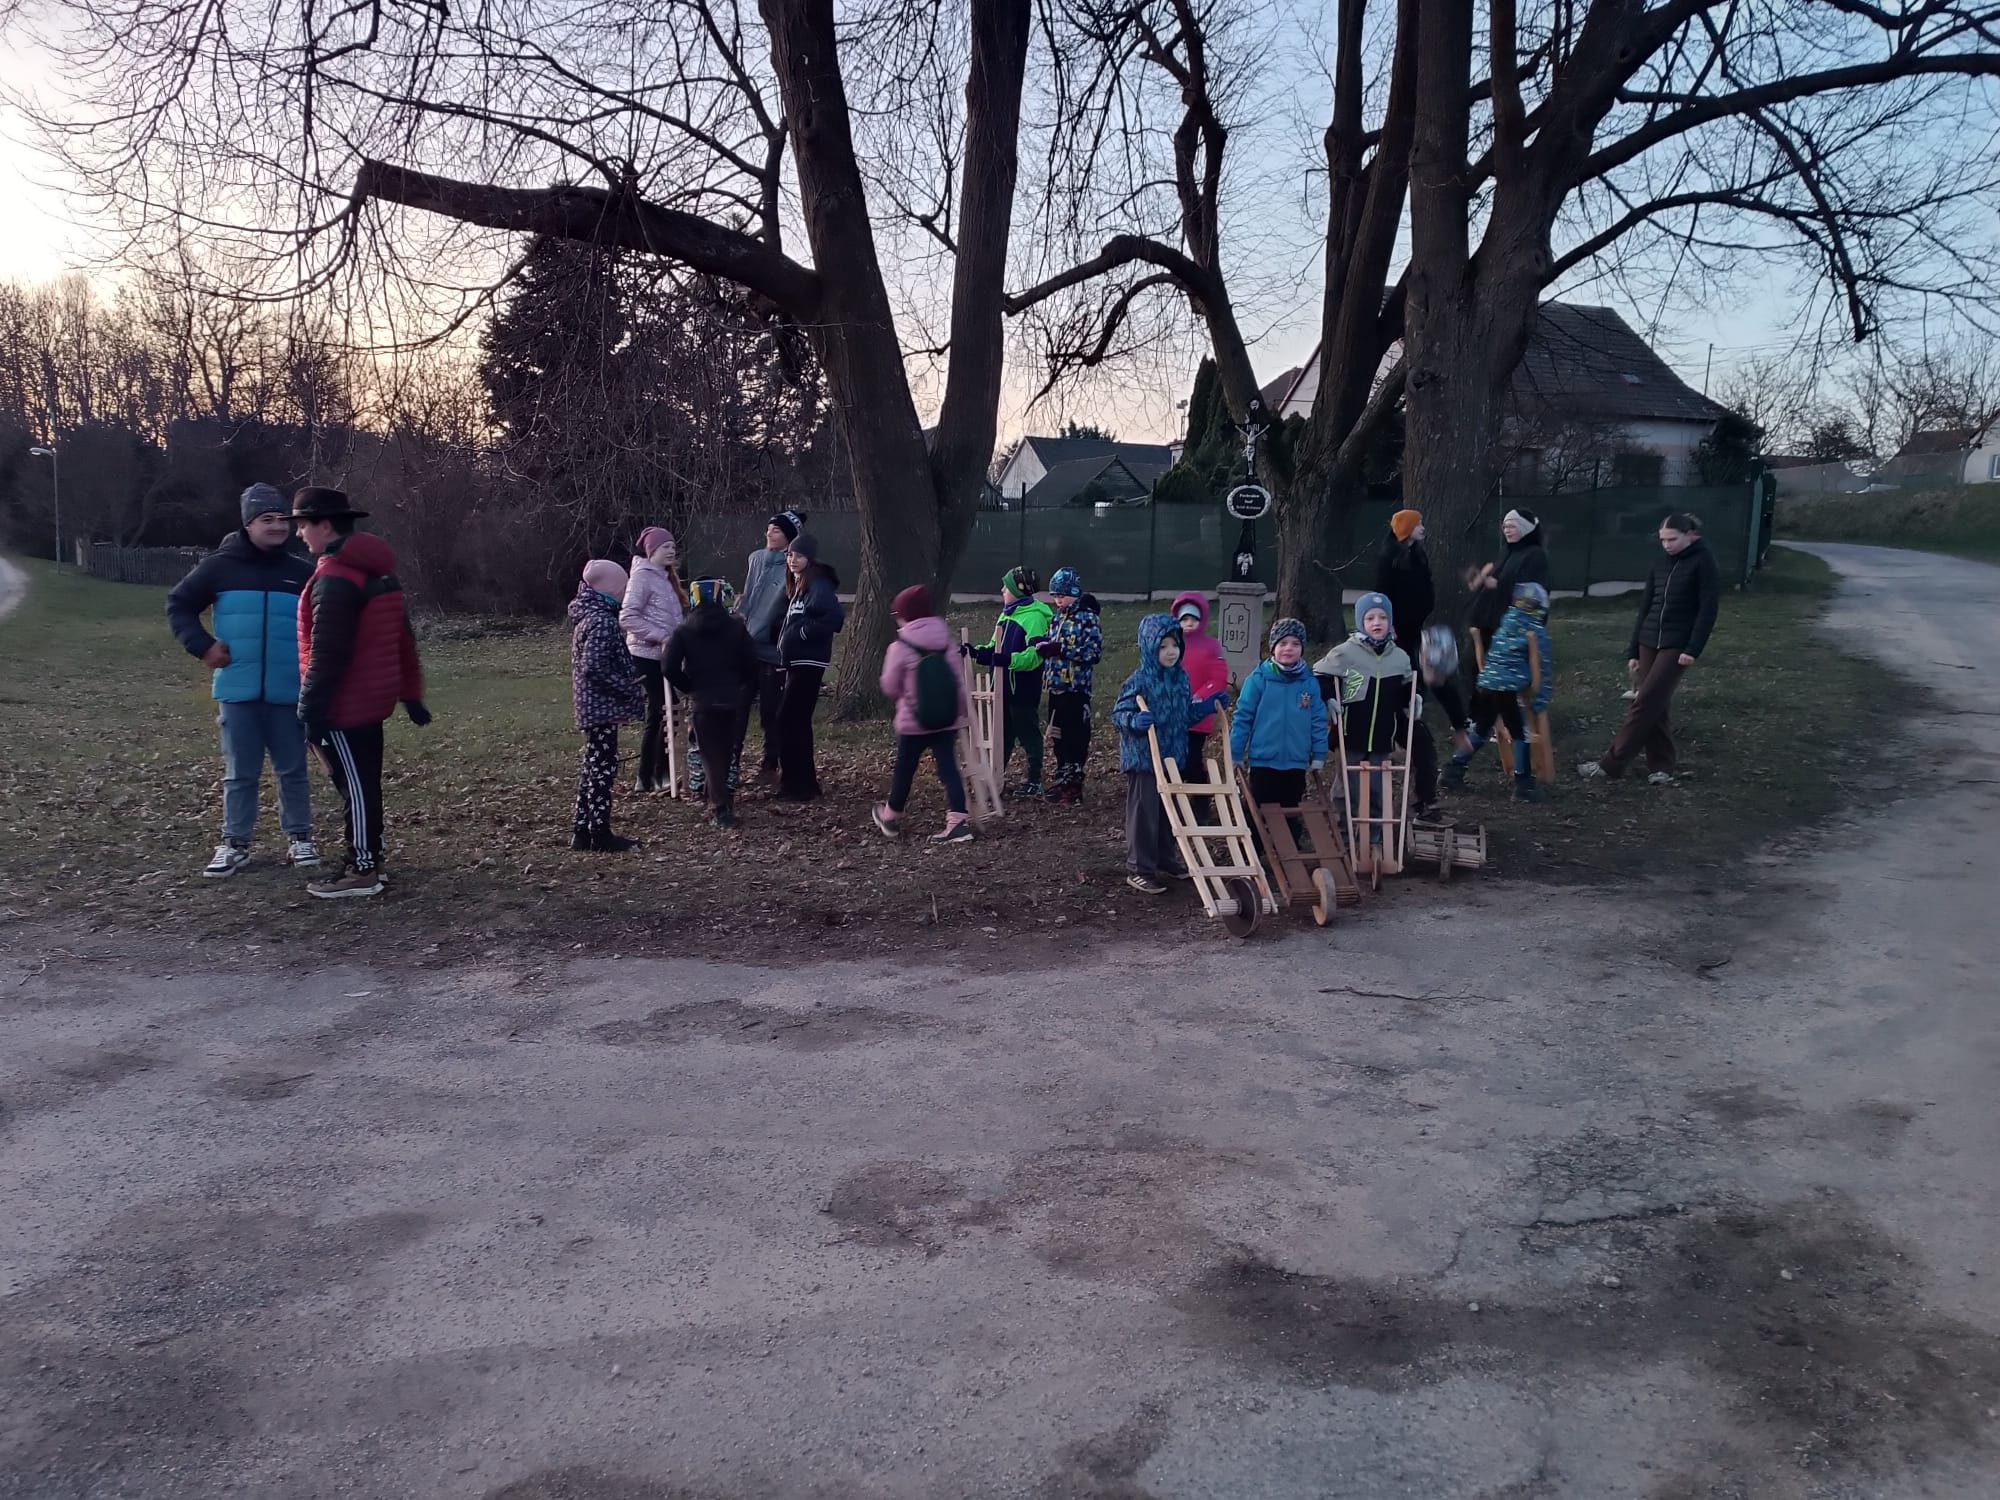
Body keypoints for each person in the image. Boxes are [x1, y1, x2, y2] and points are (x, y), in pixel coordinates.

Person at [166, 482, 319, 878]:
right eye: (267, 519)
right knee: (240, 773)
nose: (277, 526)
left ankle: (300, 838)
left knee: (293, 771)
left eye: (282, 519)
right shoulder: (220, 567)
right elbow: (179, 605)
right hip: (238, 692)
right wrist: (202, 646)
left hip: (290, 692)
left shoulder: (302, 573)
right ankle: (235, 844)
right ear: (248, 524)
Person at [291, 486, 430, 897]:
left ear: (324, 525)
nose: (299, 533)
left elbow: (327, 653)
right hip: (372, 700)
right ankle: (370, 857)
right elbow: (403, 640)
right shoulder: (379, 572)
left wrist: (311, 712)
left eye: (303, 525)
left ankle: (363, 869)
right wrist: (410, 693)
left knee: (354, 786)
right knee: (363, 782)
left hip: (343, 704)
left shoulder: (336, 578)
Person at [1579, 512, 1721, 785]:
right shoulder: (1660, 562)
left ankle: (1610, 765)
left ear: (1690, 535)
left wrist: (1693, 648)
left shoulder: (1704, 562)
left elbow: (1707, 610)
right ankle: (1662, 767)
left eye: (1672, 539)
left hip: (1677, 645)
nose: (1667, 545)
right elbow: (1646, 607)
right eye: (1662, 540)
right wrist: (1634, 650)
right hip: (1648, 640)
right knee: (1657, 705)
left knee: (1644, 702)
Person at [1111, 613, 1228, 895]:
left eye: (1175, 645)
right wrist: (1134, 721)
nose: (1170, 652)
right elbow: (1119, 714)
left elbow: (1184, 715)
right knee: (1145, 813)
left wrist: (1205, 707)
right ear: (1149, 647)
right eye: (1162, 646)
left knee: (1169, 811)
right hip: (1144, 759)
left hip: (1172, 757)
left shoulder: (1180, 679)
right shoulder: (1139, 680)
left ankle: (1165, 858)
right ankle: (1140, 868)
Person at [871, 584, 975, 844]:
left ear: (904, 615)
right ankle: (958, 822)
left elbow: (889, 685)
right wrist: (960, 711)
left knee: (905, 769)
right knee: (949, 769)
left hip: (914, 721)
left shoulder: (900, 646)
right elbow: (957, 681)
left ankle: (891, 816)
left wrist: (904, 698)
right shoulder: (946, 642)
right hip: (945, 719)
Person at [1372, 508, 1452, 817]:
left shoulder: (1418, 556)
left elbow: (1426, 591)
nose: (1423, 529)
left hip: (1413, 633)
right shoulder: (1389, 559)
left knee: (1420, 739)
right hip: (1397, 637)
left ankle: (1425, 799)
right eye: (1418, 524)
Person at [1315, 592, 1415, 836]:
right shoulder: (1345, 652)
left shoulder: (1399, 657)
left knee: (1378, 786)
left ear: (1390, 621)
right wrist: (1329, 697)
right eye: (1370, 618)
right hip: (1351, 732)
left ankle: (1375, 834)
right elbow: (1319, 675)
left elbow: (1406, 686)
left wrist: (1414, 699)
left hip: (1383, 733)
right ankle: (1343, 832)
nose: (1377, 623)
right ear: (1361, 622)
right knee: (1347, 786)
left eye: (1382, 617)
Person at [1443, 581, 1554, 802]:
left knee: (1482, 728)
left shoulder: (1506, 624)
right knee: (1520, 734)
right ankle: (1524, 785)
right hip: (1508, 688)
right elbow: (1542, 667)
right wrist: (1540, 700)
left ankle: (1452, 770)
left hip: (1488, 684)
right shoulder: (1536, 631)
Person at [664, 578, 759, 829]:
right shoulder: (737, 628)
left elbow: (668, 666)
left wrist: (688, 687)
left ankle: (719, 806)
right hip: (731, 699)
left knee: (709, 753)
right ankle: (721, 800)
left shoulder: (683, 630)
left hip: (702, 700)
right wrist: (739, 684)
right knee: (726, 752)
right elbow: (752, 664)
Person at [570, 559, 647, 851]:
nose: (626, 592)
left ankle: (582, 831)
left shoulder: (590, 617)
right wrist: (627, 688)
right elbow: (594, 667)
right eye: (623, 587)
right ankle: (600, 833)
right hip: (602, 709)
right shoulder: (602, 622)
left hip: (594, 707)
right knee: (602, 771)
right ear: (611, 590)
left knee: (592, 769)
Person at [968, 566, 1054, 797]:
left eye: (1006, 587)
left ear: (1018, 589)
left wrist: (1007, 660)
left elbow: (1034, 656)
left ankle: (1034, 780)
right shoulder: (1007, 614)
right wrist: (976, 652)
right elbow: (993, 646)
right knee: (1002, 737)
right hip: (1002, 688)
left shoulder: (1034, 618)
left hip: (1022, 689)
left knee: (1028, 734)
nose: (1002, 590)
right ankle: (996, 779)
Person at [1229, 617, 1328, 810]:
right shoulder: (1259, 680)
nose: (1288, 648)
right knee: (1261, 809)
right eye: (1282, 643)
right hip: (1264, 760)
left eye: (1295, 644)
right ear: (1273, 648)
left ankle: (1290, 831)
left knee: (1291, 808)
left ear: (1302, 648)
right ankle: (1256, 831)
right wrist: (1235, 752)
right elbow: (1243, 718)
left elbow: (1318, 720)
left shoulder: (1309, 683)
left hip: (1296, 761)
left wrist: (1319, 754)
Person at [776, 531, 844, 800]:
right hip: (797, 662)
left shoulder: (818, 584)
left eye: (799, 555)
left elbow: (835, 618)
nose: (792, 559)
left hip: (808, 662)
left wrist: (802, 633)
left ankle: (798, 785)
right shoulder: (800, 584)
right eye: (790, 554)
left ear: (810, 558)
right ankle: (800, 784)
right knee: (796, 722)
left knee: (789, 720)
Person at [738, 509, 803, 784]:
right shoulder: (756, 559)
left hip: (773, 648)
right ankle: (731, 761)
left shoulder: (793, 564)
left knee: (770, 709)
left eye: (776, 530)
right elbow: (749, 593)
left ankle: (770, 762)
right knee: (738, 705)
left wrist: (777, 628)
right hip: (746, 645)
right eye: (768, 528)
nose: (769, 533)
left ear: (789, 536)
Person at [619, 525, 683, 793]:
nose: (671, 551)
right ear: (652, 550)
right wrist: (660, 637)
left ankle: (653, 775)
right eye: (665, 546)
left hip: (664, 655)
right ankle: (652, 774)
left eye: (673, 546)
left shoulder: (666, 578)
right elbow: (627, 617)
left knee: (664, 711)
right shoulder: (642, 577)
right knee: (663, 710)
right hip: (645, 655)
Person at [1039, 567, 1103, 804]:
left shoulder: (1088, 618)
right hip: (1055, 686)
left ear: (1074, 593)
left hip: (1076, 688)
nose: (1058, 600)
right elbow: (1053, 643)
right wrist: (1044, 644)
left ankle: (1073, 784)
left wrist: (1061, 649)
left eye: (1062, 596)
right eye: (1055, 596)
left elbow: (1094, 653)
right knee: (1058, 735)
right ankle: (1062, 777)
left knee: (1075, 736)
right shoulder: (1057, 617)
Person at [1171, 591, 1230, 772]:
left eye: (1194, 619)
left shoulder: (1210, 646)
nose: (1189, 623)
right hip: (1172, 711)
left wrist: (1201, 697)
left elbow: (1218, 677)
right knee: (1171, 758)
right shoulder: (1171, 644)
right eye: (1184, 619)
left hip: (1198, 711)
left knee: (1193, 757)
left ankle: (1198, 786)